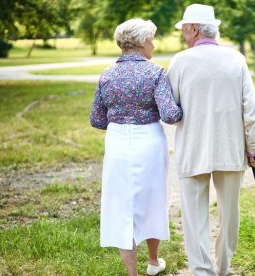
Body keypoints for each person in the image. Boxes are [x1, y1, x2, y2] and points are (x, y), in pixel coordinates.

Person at [167, 4, 255, 276]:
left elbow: (171, 110)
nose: (184, 35)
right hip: (230, 149)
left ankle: (201, 271)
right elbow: (252, 110)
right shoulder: (236, 59)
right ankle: (223, 268)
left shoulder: (180, 61)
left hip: (193, 149)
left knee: (194, 216)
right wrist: (253, 148)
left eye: (185, 29)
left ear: (194, 29)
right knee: (229, 214)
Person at [90, 18, 182, 276]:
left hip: (117, 142)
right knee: (152, 200)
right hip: (149, 142)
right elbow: (171, 115)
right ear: (142, 43)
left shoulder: (107, 75)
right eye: (151, 39)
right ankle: (153, 262)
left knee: (120, 205)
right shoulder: (155, 73)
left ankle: (133, 273)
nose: (153, 44)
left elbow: (96, 119)